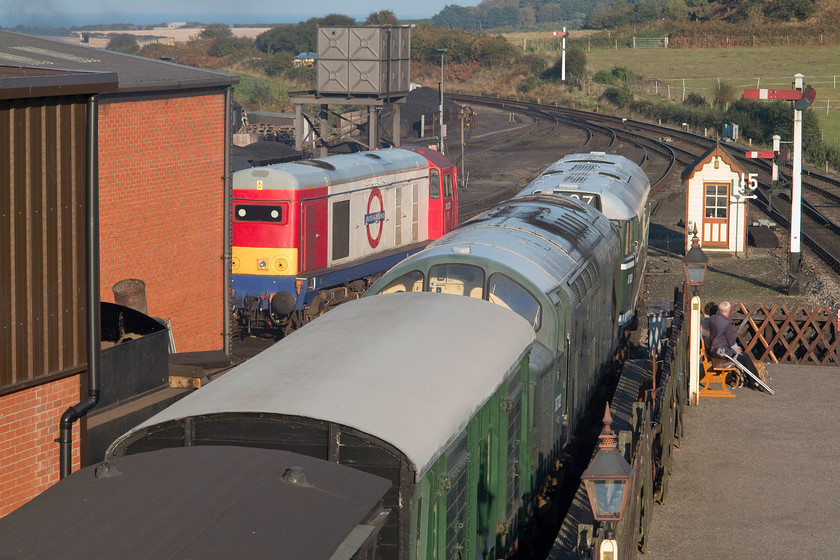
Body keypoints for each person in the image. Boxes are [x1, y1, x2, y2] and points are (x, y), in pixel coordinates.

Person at [708, 301, 766, 387]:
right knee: (744, 357)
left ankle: (747, 379)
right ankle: (754, 381)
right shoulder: (727, 324)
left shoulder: (712, 319)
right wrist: (737, 349)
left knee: (742, 356)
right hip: (722, 352)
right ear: (728, 310)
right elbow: (731, 342)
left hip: (712, 349)